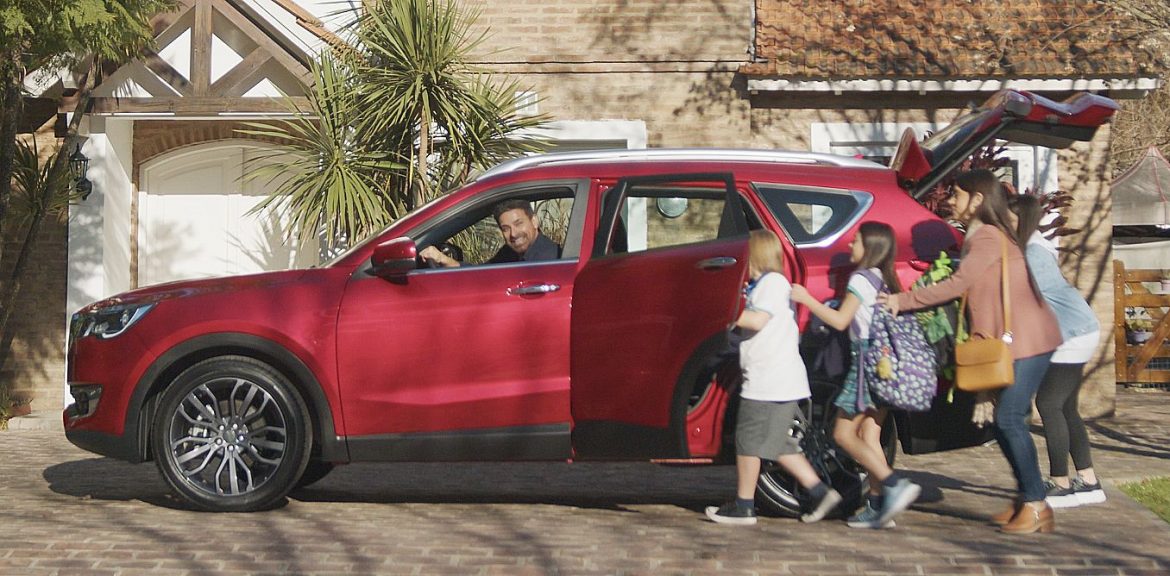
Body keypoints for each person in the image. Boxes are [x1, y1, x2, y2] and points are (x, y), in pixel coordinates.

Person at [884, 169, 1062, 534]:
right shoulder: (984, 236)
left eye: (957, 193)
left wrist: (904, 300)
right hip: (1019, 339)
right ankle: (1027, 498)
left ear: (977, 199)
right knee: (1007, 421)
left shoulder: (985, 237)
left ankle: (1035, 503)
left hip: (1028, 340)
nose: (951, 199)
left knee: (1009, 420)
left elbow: (958, 285)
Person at [705, 230, 843, 525]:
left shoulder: (771, 283)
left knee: (747, 442)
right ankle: (820, 492)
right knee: (777, 444)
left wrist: (722, 315)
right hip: (779, 379)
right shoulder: (766, 285)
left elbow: (756, 320)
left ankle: (744, 507)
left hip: (769, 382)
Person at [791, 221, 921, 529]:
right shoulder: (882, 280)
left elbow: (840, 320)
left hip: (864, 364)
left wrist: (806, 299)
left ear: (871, 248)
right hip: (885, 365)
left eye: (856, 242)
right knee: (869, 435)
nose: (850, 246)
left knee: (842, 434)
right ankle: (877, 506)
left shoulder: (861, 279)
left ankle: (893, 484)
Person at [1009, 194, 1106, 508]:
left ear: (1021, 219)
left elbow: (1031, 298)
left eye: (1009, 218)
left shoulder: (1033, 253)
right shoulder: (1032, 249)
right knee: (1065, 408)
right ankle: (1088, 481)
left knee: (1049, 404)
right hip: (1077, 330)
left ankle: (1061, 483)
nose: (1004, 223)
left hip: (1071, 333)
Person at [420, 199, 560, 267]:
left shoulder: (548, 260)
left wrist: (443, 259)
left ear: (534, 221)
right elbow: (480, 273)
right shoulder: (510, 253)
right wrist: (443, 259)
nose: (513, 234)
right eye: (505, 228)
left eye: (519, 224)